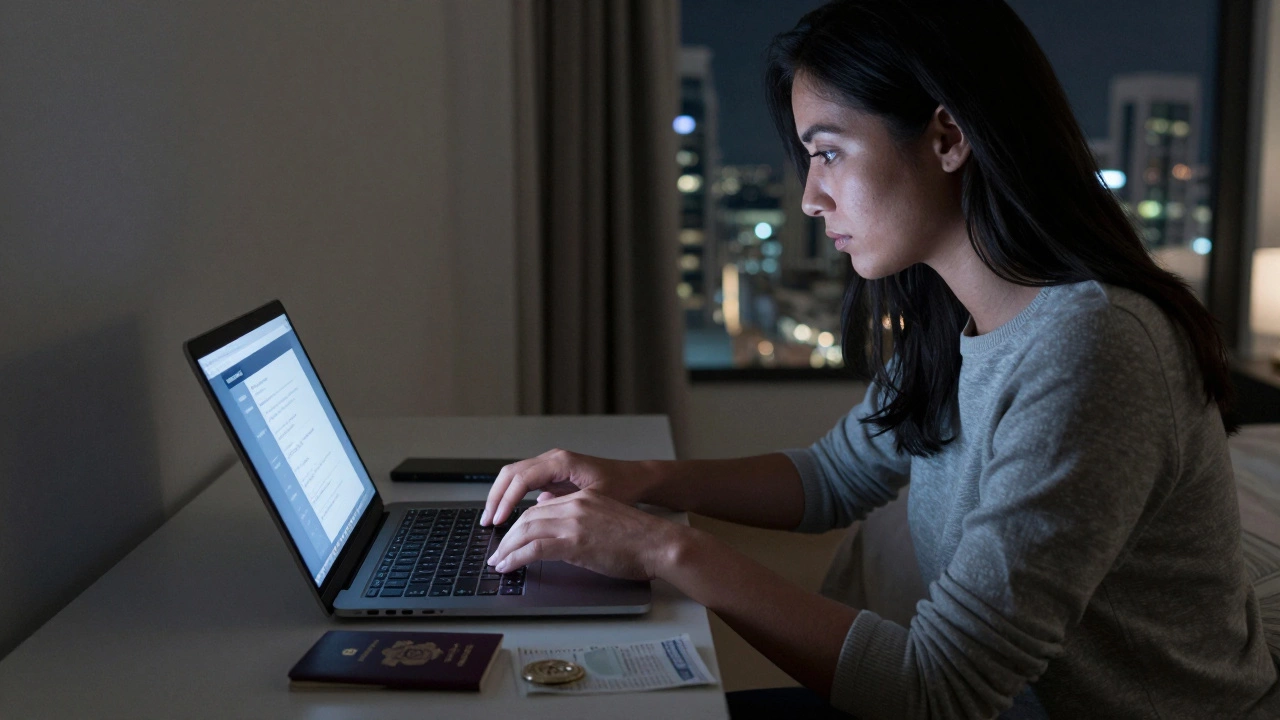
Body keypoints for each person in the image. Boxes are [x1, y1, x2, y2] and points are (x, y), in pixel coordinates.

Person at [481, 1, 1280, 717]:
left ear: (947, 137)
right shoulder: (956, 313)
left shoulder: (1093, 347)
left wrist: (663, 547)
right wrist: (644, 480)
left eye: (827, 152)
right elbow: (831, 477)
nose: (808, 197)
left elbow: (938, 688)